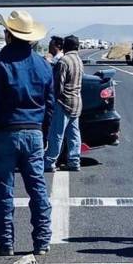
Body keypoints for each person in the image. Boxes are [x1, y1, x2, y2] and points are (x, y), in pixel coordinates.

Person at [0, 10, 54, 256]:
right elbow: (50, 106)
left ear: (8, 35)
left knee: (3, 192)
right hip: (34, 133)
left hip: (4, 134)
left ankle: (5, 243)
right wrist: (44, 134)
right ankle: (42, 242)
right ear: (30, 37)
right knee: (37, 188)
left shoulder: (0, 66)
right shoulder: (43, 66)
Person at [44, 35, 83, 172]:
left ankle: (49, 162)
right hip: (76, 101)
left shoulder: (64, 61)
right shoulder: (78, 60)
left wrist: (52, 101)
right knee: (74, 134)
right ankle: (74, 161)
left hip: (63, 102)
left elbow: (58, 86)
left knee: (56, 134)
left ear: (66, 46)